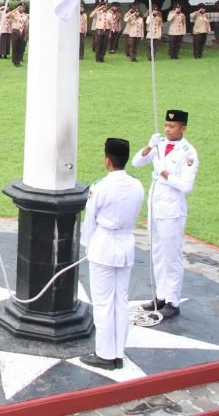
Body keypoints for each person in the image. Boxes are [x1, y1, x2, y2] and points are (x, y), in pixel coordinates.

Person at [80, 138, 144, 371]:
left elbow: (90, 221)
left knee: (103, 303)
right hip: (125, 244)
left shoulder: (100, 187)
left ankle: (105, 354)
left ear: (107, 160)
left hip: (104, 246)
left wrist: (87, 245)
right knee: (120, 301)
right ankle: (117, 352)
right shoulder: (137, 185)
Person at [132, 109, 199, 320]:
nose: (168, 129)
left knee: (172, 257)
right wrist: (149, 145)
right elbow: (136, 162)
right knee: (158, 254)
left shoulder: (188, 152)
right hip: (155, 206)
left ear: (183, 128)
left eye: (172, 126)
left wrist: (163, 172)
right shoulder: (160, 145)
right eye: (166, 125)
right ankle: (161, 295)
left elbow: (186, 186)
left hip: (172, 210)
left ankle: (173, 301)